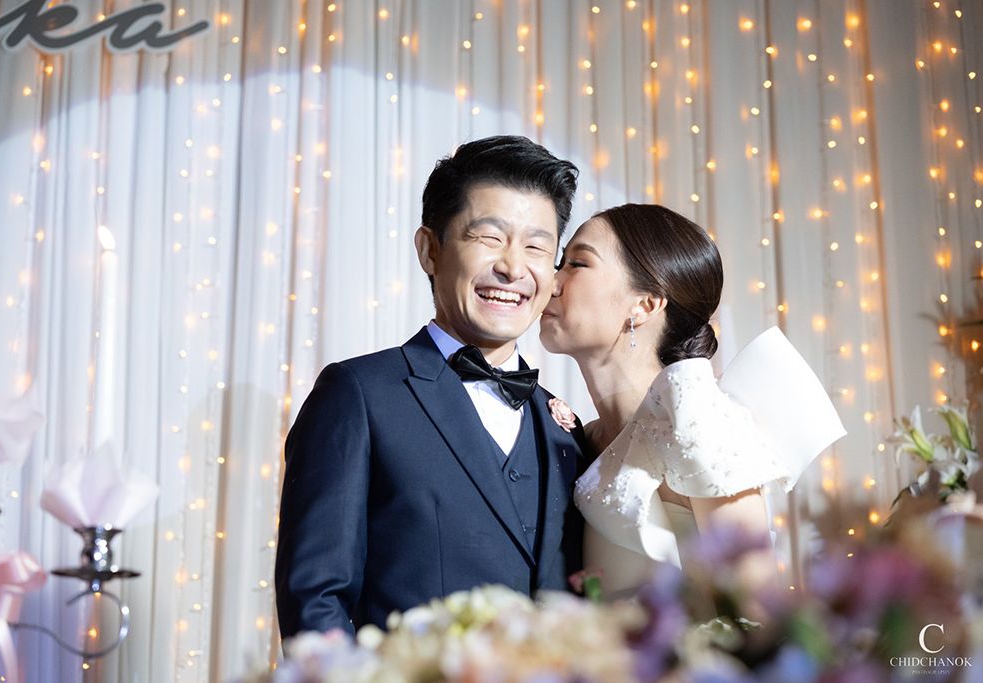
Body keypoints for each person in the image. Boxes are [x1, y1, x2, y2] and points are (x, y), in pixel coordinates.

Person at [275, 135, 585, 637]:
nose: (513, 267)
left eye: (536, 246)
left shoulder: (563, 425)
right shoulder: (358, 394)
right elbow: (315, 602)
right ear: (430, 250)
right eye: (489, 238)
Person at [539, 203, 844, 596]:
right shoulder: (581, 438)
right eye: (559, 263)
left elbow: (755, 609)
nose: (551, 281)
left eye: (577, 264)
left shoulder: (696, 421)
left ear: (644, 305)